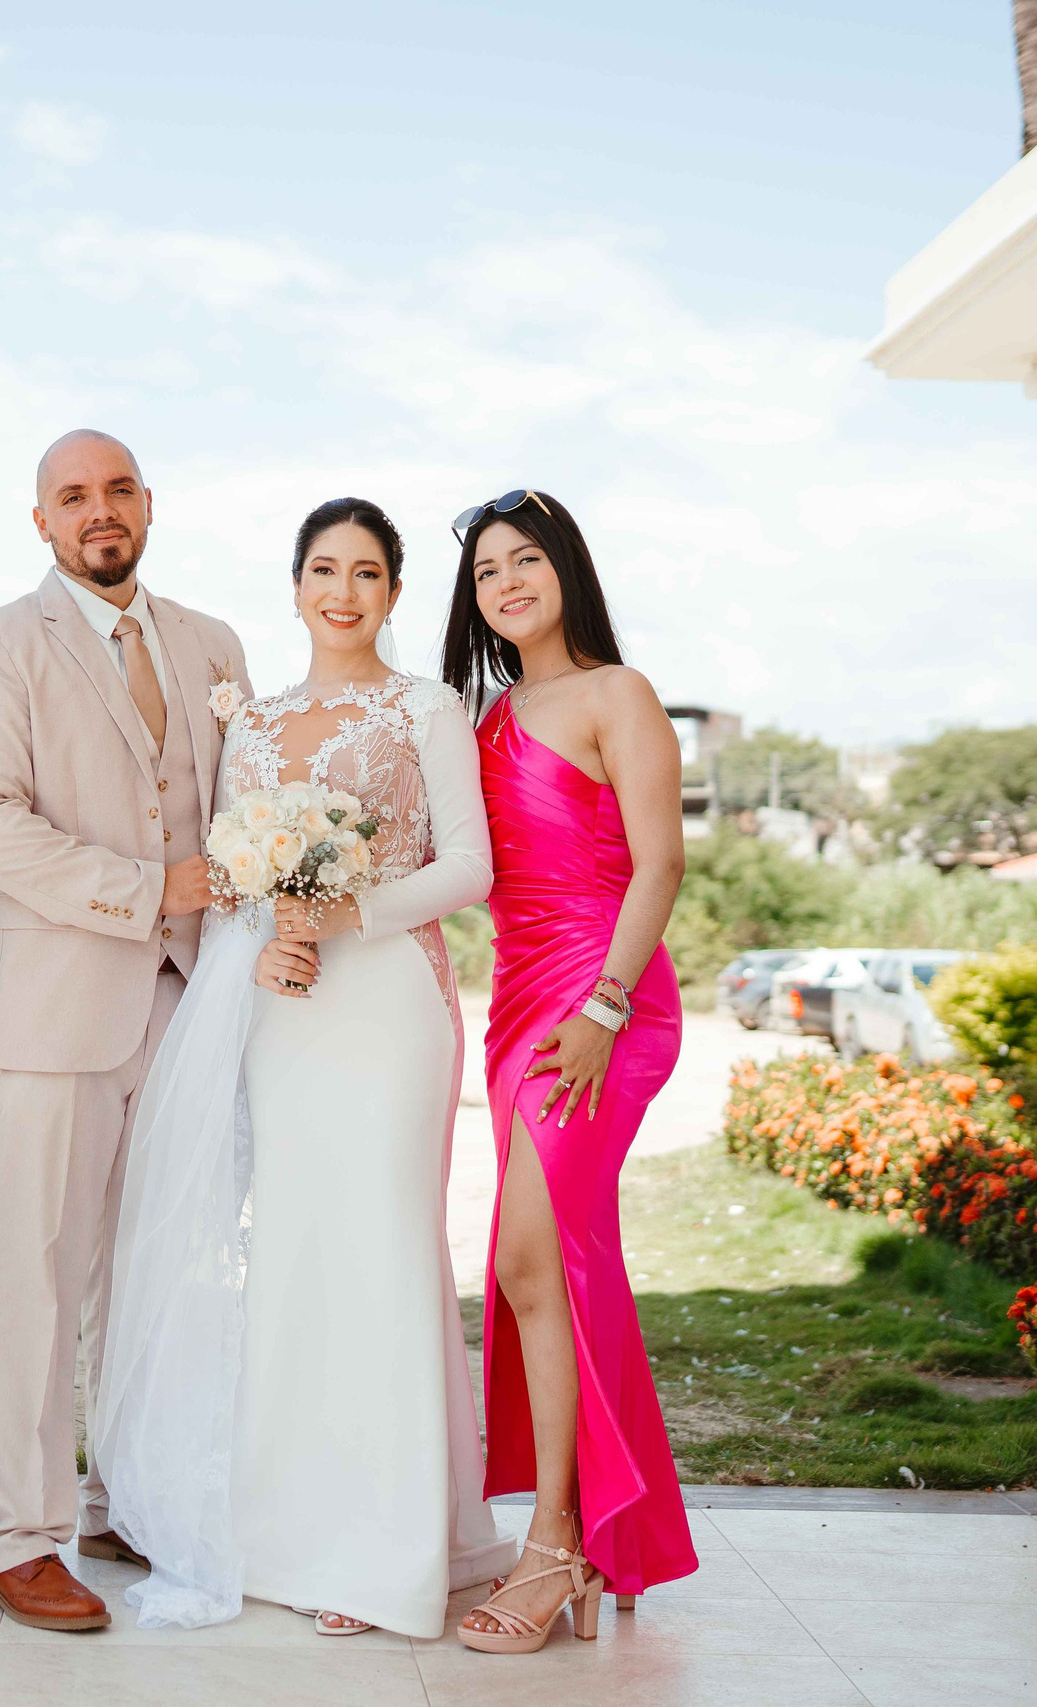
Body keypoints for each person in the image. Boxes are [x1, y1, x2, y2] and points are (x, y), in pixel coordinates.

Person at [93, 498, 520, 1638]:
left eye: (367, 573)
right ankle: (291, 1538)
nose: (343, 591)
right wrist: (271, 927)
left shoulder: (426, 706)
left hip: (386, 1008)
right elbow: (237, 875)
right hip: (281, 1013)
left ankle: (386, 1556)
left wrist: (345, 915)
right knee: (293, 1256)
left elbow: (469, 866)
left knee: (382, 1251)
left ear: (391, 593)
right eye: (323, 570)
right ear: (295, 587)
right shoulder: (255, 719)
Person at [0, 430, 253, 1632]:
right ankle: (14, 1537)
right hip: (59, 1005)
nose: (99, 511)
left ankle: (132, 1494)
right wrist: (148, 886)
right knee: (38, 1272)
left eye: (118, 489)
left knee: (153, 1270)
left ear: (149, 505)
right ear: (42, 522)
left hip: (189, 1002)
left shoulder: (213, 642)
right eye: (73, 496)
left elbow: (244, 802)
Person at [440, 489, 701, 1654]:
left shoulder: (617, 694)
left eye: (524, 560)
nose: (505, 583)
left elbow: (660, 863)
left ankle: (558, 1540)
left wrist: (601, 1006)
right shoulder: (483, 719)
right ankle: (603, 1536)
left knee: (530, 1259)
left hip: (606, 1002)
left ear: (566, 571)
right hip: (519, 1010)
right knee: (556, 1267)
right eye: (487, 571)